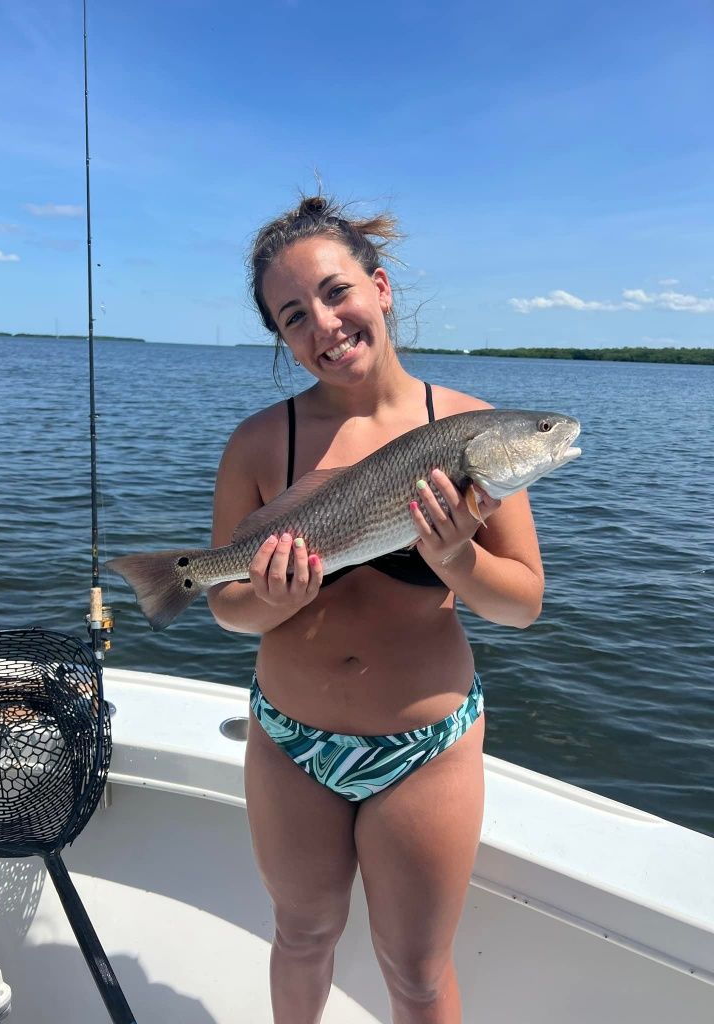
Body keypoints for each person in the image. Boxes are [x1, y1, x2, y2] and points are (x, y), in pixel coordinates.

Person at [207, 195, 544, 1024]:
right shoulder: (259, 444)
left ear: (381, 288)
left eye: (336, 292)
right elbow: (226, 608)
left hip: (425, 748)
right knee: (300, 935)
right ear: (282, 339)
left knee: (418, 974)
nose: (323, 324)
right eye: (293, 316)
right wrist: (268, 602)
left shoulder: (469, 428)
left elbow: (523, 604)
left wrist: (458, 559)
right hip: (290, 741)